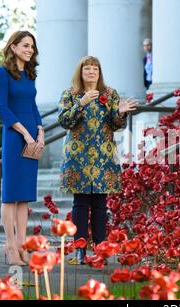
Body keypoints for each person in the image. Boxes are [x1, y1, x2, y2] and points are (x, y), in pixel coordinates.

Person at [58, 56, 138, 264]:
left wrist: (120, 114)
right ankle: (80, 250)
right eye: (87, 68)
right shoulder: (71, 94)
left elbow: (116, 124)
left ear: (99, 72)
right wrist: (81, 103)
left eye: (95, 68)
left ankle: (101, 249)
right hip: (78, 154)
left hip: (103, 154)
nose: (91, 72)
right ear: (81, 72)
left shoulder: (110, 94)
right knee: (81, 202)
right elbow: (64, 121)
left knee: (100, 204)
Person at [0, 31, 45, 266]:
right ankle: (10, 246)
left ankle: (23, 246)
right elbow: (3, 107)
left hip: (33, 136)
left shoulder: (30, 75)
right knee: (11, 195)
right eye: (25, 45)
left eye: (32, 46)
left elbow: (32, 105)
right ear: (13, 47)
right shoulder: (1, 73)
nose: (30, 50)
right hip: (15, 136)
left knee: (24, 196)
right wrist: (24, 132)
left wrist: (40, 131)